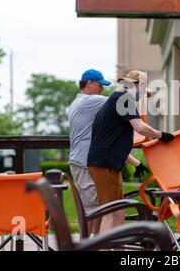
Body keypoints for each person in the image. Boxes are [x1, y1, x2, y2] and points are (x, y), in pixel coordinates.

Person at [87, 70, 174, 232]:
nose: (143, 94)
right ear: (139, 85)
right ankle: (105, 248)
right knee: (110, 212)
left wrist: (136, 163)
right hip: (104, 164)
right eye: (144, 87)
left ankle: (117, 245)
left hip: (108, 163)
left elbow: (112, 143)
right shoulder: (124, 99)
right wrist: (161, 135)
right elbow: (140, 127)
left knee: (119, 210)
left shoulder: (118, 99)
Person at [68, 69, 110, 236]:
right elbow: (119, 102)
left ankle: (93, 243)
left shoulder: (80, 102)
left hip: (82, 160)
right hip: (83, 162)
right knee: (92, 207)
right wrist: (142, 92)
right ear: (89, 83)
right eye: (100, 85)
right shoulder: (89, 101)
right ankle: (88, 245)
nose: (102, 89)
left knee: (94, 206)